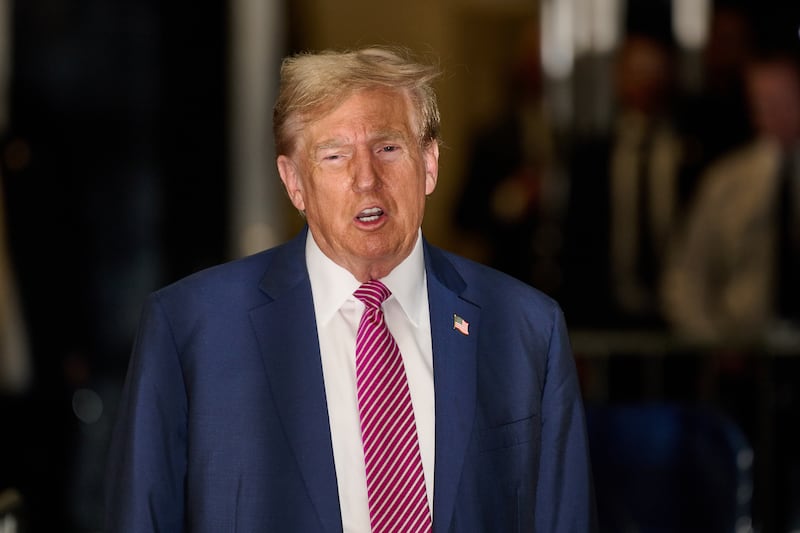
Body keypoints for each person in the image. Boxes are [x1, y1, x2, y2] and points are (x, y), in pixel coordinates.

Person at [103, 46, 596, 532]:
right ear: (294, 182)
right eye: (335, 156)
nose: (367, 180)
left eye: (388, 148)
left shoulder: (527, 326)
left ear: (429, 163)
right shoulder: (191, 328)